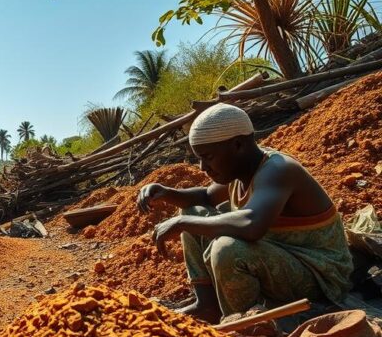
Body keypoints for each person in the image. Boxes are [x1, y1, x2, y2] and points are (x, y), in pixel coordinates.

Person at [138, 104, 353, 324]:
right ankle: (207, 306)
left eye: (208, 157)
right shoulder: (241, 170)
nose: (203, 167)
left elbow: (252, 224)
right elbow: (204, 197)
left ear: (238, 145)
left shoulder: (278, 170)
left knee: (228, 249)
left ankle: (246, 326)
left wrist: (182, 223)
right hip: (280, 260)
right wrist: (166, 193)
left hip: (319, 275)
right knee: (193, 211)